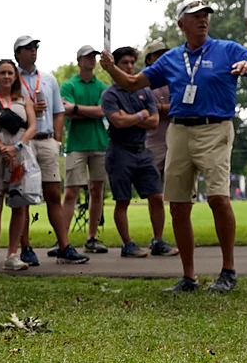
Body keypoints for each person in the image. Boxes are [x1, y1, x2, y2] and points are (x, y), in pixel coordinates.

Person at [100, 0, 247, 293]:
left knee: (219, 198)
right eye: (195, 16)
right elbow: (132, 83)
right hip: (180, 131)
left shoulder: (226, 49)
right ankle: (189, 276)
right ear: (181, 23)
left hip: (215, 128)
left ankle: (228, 270)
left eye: (206, 15)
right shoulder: (171, 58)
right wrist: (110, 68)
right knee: (179, 205)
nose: (203, 20)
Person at [13, 36, 88, 265]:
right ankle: (26, 248)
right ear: (17, 54)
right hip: (24, 139)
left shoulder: (48, 79)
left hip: (46, 139)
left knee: (53, 193)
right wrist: (28, 110)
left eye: (35, 48)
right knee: (23, 196)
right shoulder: (11, 78)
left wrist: (57, 139)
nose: (33, 52)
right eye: (27, 49)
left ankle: (64, 246)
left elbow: (58, 111)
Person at [100, 47, 175, 258]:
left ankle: (158, 240)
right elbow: (118, 121)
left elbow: (154, 121)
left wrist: (134, 117)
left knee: (156, 196)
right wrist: (141, 115)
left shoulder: (145, 91)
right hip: (120, 151)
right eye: (125, 63)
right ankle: (128, 244)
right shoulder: (110, 94)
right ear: (116, 66)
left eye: (133, 62)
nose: (130, 66)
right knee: (122, 200)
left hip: (142, 150)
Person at [0, 59, 37, 271]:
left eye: (10, 73)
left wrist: (17, 147)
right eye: (2, 73)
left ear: (15, 77)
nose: (6, 77)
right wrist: (1, 148)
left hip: (20, 156)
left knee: (19, 203)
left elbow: (32, 126)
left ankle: (13, 254)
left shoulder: (23, 100)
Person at [62, 45, 110, 254]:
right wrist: (82, 111)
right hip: (76, 144)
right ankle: (62, 239)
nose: (91, 60)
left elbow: (102, 111)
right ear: (79, 60)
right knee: (71, 190)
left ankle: (92, 237)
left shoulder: (102, 86)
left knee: (96, 191)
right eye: (87, 57)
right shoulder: (69, 85)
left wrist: (76, 108)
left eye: (94, 57)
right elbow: (66, 111)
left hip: (99, 143)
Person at [143, 40, 172, 180]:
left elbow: (184, 106)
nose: (162, 57)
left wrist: (159, 108)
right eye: (158, 54)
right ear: (149, 59)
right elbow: (144, 111)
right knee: (154, 190)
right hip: (153, 142)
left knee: (177, 188)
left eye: (164, 53)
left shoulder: (175, 78)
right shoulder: (142, 82)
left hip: (176, 140)